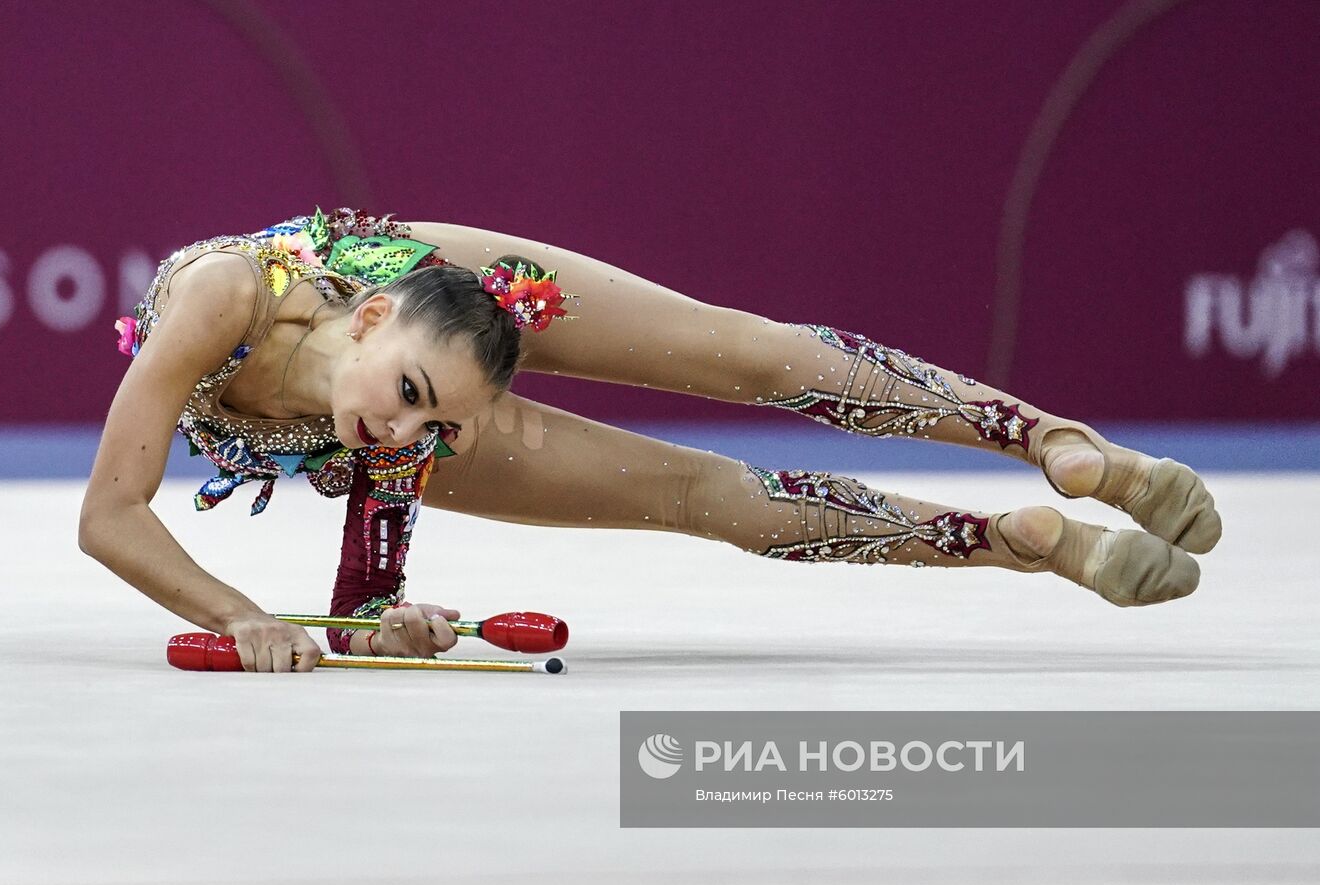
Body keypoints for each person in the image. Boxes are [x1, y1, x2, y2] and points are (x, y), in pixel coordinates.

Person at [79, 207, 1222, 673]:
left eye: (436, 420)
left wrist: (242, 617)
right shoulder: (317, 356)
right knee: (695, 494)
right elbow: (118, 518)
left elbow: (111, 517)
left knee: (740, 351)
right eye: (424, 412)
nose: (415, 437)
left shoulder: (321, 341)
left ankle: (1050, 440)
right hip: (391, 358)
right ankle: (1023, 542)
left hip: (458, 288)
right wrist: (381, 618)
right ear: (366, 324)